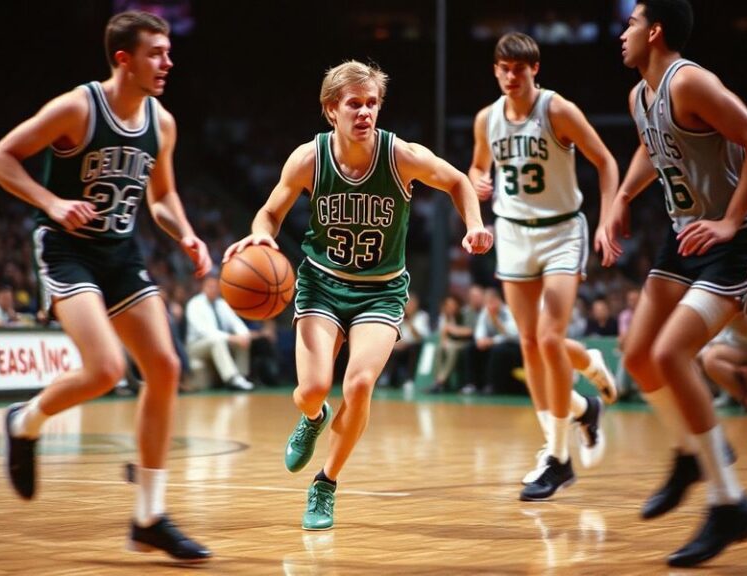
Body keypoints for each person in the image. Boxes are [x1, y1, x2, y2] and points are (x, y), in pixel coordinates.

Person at [224, 60, 493, 530]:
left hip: (380, 292)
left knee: (360, 384)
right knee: (311, 390)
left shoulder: (400, 155)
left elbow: (457, 180)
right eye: (354, 104)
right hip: (321, 285)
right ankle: (314, 417)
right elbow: (269, 212)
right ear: (331, 110)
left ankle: (325, 484)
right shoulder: (309, 158)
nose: (365, 112)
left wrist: (474, 224)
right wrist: (262, 236)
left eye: (372, 103)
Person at [0, 11, 212, 562]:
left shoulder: (162, 123)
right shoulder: (78, 108)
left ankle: (149, 517)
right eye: (155, 53)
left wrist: (186, 234)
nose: (167, 62)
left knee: (166, 367)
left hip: (120, 253)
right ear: (123, 59)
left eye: (168, 51)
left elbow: (160, 196)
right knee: (107, 368)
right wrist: (52, 203)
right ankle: (26, 418)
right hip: (67, 251)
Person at [606, 0, 747, 566]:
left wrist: (732, 220)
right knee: (638, 354)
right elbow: (652, 143)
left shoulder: (692, 82)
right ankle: (693, 455)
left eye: (632, 23)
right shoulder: (642, 94)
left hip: (729, 242)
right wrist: (622, 196)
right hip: (683, 236)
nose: (624, 33)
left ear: (656, 30)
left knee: (670, 354)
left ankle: (728, 502)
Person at [468, 32, 620, 500]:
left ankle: (558, 458)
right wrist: (479, 182)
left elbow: (606, 161)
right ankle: (582, 405)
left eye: (520, 67)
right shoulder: (486, 120)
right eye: (503, 67)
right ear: (495, 70)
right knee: (531, 342)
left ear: (536, 69)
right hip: (512, 232)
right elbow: (477, 169)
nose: (511, 75)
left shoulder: (557, 111)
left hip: (560, 231)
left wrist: (607, 219)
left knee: (550, 338)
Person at [185, 274, 255, 391]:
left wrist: (244, 335)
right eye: (210, 286)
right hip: (195, 347)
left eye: (215, 286)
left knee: (242, 339)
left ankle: (241, 377)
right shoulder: (194, 304)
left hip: (220, 341)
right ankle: (231, 378)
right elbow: (205, 331)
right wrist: (232, 338)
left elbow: (236, 323)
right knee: (217, 340)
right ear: (203, 287)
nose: (213, 289)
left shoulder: (222, 304)